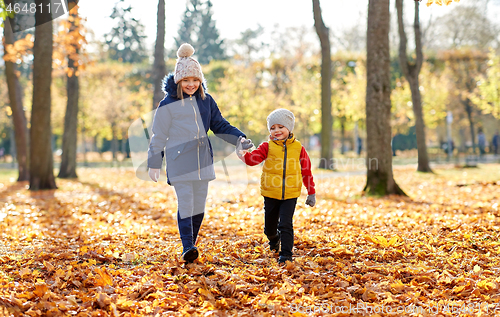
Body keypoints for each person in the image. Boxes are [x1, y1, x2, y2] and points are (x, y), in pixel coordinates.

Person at [147, 43, 253, 263]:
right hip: (179, 162)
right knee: (186, 203)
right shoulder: (167, 105)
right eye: (186, 80)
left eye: (195, 80)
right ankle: (187, 246)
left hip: (203, 161)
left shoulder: (206, 101)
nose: (191, 84)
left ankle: (191, 245)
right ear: (178, 81)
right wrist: (154, 162)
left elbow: (220, 125)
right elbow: (158, 135)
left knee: (199, 206)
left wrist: (240, 139)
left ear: (200, 80)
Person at [236, 109, 316, 264]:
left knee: (286, 224)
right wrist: (242, 152)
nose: (276, 130)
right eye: (273, 128)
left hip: (291, 194)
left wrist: (311, 192)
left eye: (280, 127)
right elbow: (253, 160)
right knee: (270, 228)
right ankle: (274, 239)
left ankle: (286, 255)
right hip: (271, 192)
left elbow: (306, 170)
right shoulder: (267, 146)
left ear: (289, 128)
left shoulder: (299, 148)